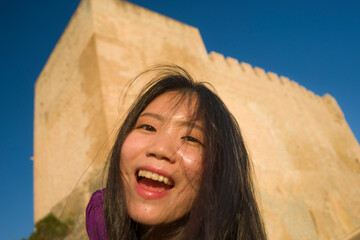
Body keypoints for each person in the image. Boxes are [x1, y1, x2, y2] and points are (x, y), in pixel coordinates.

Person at [86, 65, 267, 240]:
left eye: (190, 138)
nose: (160, 149)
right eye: (148, 127)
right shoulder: (99, 219)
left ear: (220, 173)